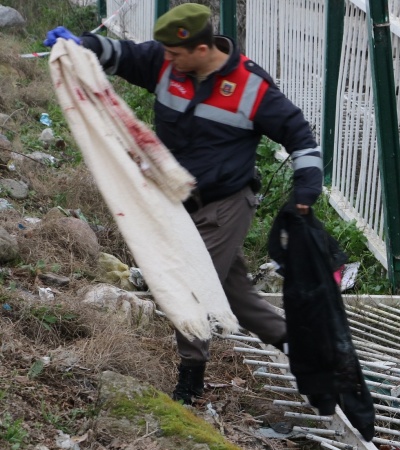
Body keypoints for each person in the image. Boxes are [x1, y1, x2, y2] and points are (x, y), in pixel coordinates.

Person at [44, 3, 324, 404]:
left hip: (226, 204)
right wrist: (80, 45)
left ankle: (189, 384)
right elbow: (120, 55)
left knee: (192, 286)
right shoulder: (165, 63)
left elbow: (300, 136)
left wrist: (306, 189)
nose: (168, 61)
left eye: (176, 54)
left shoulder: (250, 87)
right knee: (236, 298)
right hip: (177, 203)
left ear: (202, 48)